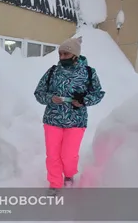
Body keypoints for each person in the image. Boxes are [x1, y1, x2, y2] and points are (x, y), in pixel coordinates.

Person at [34, 36, 105, 195]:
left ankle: (69, 174)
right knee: (52, 155)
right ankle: (54, 183)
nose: (62, 57)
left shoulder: (88, 72)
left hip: (76, 121)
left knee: (69, 156)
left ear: (75, 55)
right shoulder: (52, 71)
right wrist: (50, 98)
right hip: (52, 119)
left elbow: (98, 94)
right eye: (60, 54)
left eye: (66, 54)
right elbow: (39, 93)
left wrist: (83, 100)